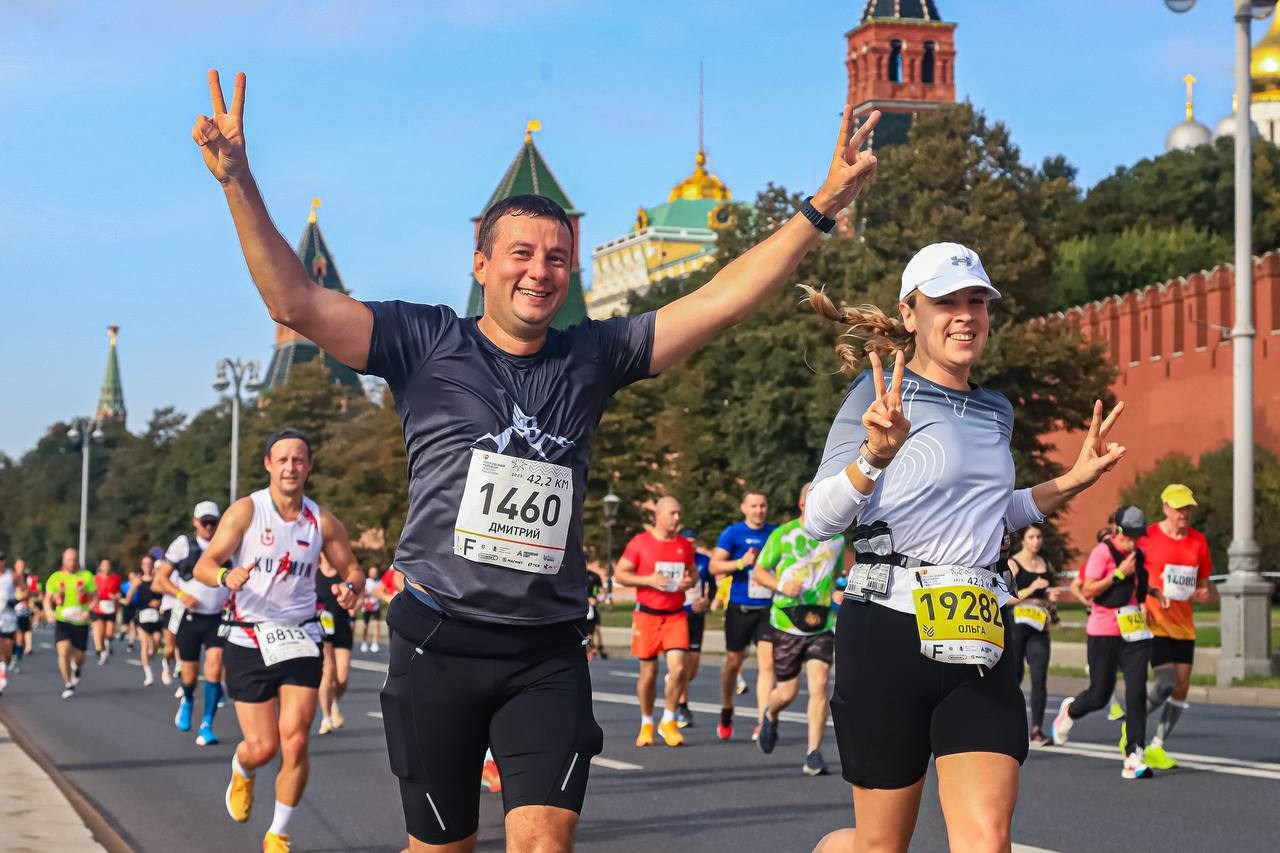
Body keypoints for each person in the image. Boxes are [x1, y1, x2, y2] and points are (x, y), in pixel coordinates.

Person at [194, 66, 879, 850]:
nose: (540, 270)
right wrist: (239, 180)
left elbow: (722, 296)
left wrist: (820, 207)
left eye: (558, 258)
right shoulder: (423, 341)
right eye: (521, 253)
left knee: (545, 842)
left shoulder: (597, 354)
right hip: (437, 641)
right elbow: (295, 303)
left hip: (545, 649)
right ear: (481, 262)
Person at [799, 241, 1128, 851]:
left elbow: (993, 513)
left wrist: (1074, 481)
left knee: (987, 840)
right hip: (889, 631)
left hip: (979, 633)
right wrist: (874, 454)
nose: (965, 315)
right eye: (946, 301)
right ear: (909, 313)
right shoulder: (875, 401)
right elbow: (820, 520)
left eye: (977, 300)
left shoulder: (995, 409)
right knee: (878, 846)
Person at [193, 429, 362, 852]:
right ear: (269, 464)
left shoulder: (321, 521)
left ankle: (279, 833)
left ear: (309, 466)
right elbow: (205, 564)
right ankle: (243, 768)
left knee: (297, 740)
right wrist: (224, 576)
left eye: (299, 460)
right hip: (249, 637)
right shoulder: (247, 511)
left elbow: (353, 569)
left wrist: (350, 588)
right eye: (282, 459)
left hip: (301, 636)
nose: (291, 467)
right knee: (263, 747)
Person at [1052, 505, 1158, 780]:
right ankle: (1070, 710)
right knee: (1099, 694)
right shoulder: (1102, 553)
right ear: (1117, 530)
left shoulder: (1139, 554)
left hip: (1133, 632)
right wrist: (1118, 574)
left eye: (1137, 536)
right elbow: (1087, 590)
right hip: (1103, 631)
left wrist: (1151, 596)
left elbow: (1141, 588)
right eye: (1128, 536)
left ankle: (1134, 755)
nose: (1132, 542)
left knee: (1136, 692)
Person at [752, 484, 844, 776]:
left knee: (819, 686)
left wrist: (840, 592)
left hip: (822, 622)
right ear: (803, 504)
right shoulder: (783, 535)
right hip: (786, 622)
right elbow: (759, 571)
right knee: (788, 692)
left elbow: (840, 575)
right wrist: (780, 585)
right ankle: (771, 712)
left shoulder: (838, 539)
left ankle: (813, 752)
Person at [1137, 483, 1214, 770]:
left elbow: (1203, 584)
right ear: (1166, 508)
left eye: (1188, 508)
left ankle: (1157, 745)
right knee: (1165, 682)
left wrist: (1204, 593)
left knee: (1181, 686)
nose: (1184, 513)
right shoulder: (1148, 538)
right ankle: (1133, 726)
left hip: (1184, 625)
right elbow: (1136, 577)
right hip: (1155, 622)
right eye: (1179, 508)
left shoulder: (1198, 541)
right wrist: (1144, 600)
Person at [612, 496, 696, 748]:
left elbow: (693, 573)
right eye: (672, 513)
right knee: (649, 673)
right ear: (657, 515)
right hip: (647, 615)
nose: (677, 518)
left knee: (680, 668)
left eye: (679, 513)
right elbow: (621, 574)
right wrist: (648, 580)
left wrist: (688, 582)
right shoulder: (640, 543)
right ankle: (647, 722)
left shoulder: (683, 545)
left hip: (675, 614)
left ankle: (668, 720)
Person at [155, 501, 231, 746]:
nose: (209, 527)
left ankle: (207, 724)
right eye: (204, 522)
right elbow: (161, 579)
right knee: (189, 674)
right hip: (189, 617)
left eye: (213, 522)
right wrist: (180, 595)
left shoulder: (229, 544)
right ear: (195, 522)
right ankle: (187, 699)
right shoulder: (182, 545)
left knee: (215, 668)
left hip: (217, 616)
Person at [710, 491, 778, 741]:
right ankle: (727, 708)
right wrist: (741, 563)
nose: (759, 510)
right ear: (744, 508)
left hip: (767, 608)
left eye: (762, 505)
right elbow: (714, 566)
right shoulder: (733, 533)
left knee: (768, 663)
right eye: (754, 506)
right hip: (740, 607)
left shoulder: (775, 532)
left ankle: (762, 721)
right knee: (733, 663)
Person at [1005, 524, 1059, 747]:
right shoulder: (1014, 563)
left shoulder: (1045, 563)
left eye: (1039, 537)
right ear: (1024, 540)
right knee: (1014, 677)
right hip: (1017, 625)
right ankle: (1006, 725)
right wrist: (1031, 589)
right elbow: (1004, 597)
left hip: (1039, 626)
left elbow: (1048, 592)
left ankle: (1036, 728)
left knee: (1039, 677)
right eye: (1031, 537)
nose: (1036, 541)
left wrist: (1050, 596)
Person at [44, 548, 98, 700]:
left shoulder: (86, 576)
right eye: (68, 559)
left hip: (81, 621)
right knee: (63, 650)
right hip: (63, 620)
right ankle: (68, 684)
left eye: (74, 559)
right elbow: (47, 599)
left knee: (80, 657)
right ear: (63, 560)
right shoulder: (56, 577)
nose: (72, 562)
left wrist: (89, 610)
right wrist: (49, 612)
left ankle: (76, 667)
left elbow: (95, 597)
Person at [675, 528, 713, 727]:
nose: (691, 544)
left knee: (692, 670)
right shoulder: (674, 558)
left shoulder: (704, 561)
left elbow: (712, 586)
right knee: (680, 666)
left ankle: (674, 681)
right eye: (687, 541)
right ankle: (683, 707)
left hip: (697, 617)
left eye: (693, 541)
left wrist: (708, 602)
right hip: (678, 616)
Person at [316, 560, 356, 734]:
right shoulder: (313, 573)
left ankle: (334, 704)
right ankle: (326, 718)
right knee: (327, 671)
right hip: (320, 628)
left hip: (341, 628)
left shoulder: (345, 573)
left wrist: (354, 605)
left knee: (342, 677)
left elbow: (357, 596)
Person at [134, 553, 165, 686]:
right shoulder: (138, 581)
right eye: (144, 564)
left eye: (149, 564)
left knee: (157, 641)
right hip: (141, 616)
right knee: (145, 644)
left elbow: (165, 595)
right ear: (141, 566)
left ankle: (150, 658)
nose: (147, 566)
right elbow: (130, 598)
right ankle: (148, 675)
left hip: (155, 616)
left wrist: (159, 602)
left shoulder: (158, 580)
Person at [90, 558, 122, 665]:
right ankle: (103, 653)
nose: (106, 567)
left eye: (108, 565)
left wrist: (116, 596)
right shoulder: (95, 579)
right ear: (101, 567)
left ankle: (108, 643)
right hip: (98, 608)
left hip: (110, 608)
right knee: (99, 633)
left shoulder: (116, 578)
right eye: (104, 565)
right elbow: (91, 592)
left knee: (109, 634)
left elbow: (119, 593)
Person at [0, 552, 17, 693]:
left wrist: (15, 599)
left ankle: (4, 667)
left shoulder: (12, 576)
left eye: (1, 560)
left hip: (8, 619)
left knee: (7, 655)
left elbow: (25, 591)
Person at [585, 565, 609, 660]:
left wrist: (599, 598)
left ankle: (600, 647)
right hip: (582, 607)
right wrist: (586, 599)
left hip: (592, 608)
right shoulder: (573, 574)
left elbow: (601, 592)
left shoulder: (594, 576)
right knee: (588, 632)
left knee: (597, 628)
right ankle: (592, 649)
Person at [359, 566, 383, 653]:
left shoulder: (380, 582)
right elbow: (362, 593)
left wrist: (379, 595)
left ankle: (375, 643)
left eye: (375, 572)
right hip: (367, 606)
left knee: (377, 625)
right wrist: (370, 593)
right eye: (372, 572)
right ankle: (364, 642)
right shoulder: (366, 581)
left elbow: (382, 593)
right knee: (366, 625)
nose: (374, 573)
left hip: (376, 606)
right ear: (369, 573)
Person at [121, 568, 140, 653]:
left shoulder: (139, 585)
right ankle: (123, 633)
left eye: (133, 576)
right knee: (126, 627)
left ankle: (130, 644)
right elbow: (121, 596)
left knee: (133, 626)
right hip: (127, 607)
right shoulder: (124, 585)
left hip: (136, 607)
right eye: (130, 577)